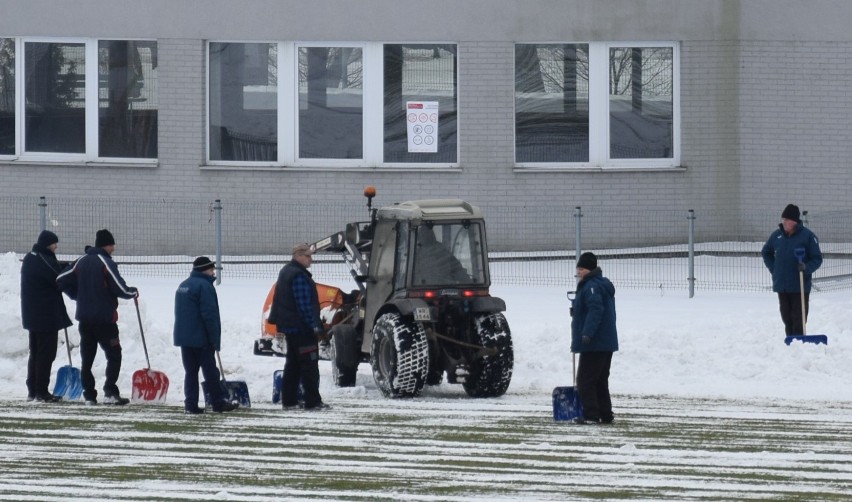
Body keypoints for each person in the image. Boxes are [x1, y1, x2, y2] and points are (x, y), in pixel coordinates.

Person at [57, 229, 138, 406]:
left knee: (88, 358)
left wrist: (77, 295)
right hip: (104, 321)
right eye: (112, 245)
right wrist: (132, 292)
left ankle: (89, 395)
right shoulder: (105, 262)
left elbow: (61, 279)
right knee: (114, 354)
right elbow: (119, 288)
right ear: (106, 245)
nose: (113, 249)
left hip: (85, 320)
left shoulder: (81, 261)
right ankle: (110, 391)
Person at [267, 242, 329, 411]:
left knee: (293, 364)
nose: (311, 260)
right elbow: (304, 306)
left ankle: (289, 400)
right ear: (298, 256)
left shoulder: (286, 272)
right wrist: (315, 326)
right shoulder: (299, 276)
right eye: (308, 256)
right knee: (309, 365)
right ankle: (313, 401)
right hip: (302, 328)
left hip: (290, 327)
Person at [173, 257, 238, 414]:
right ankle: (218, 402)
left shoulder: (183, 285)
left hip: (185, 338)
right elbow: (209, 315)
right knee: (211, 373)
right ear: (205, 270)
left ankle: (191, 405)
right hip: (201, 339)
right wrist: (214, 339)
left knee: (191, 372)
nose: (213, 272)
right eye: (211, 269)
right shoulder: (205, 286)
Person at [20, 230, 73, 403]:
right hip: (45, 316)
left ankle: (33, 390)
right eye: (54, 243)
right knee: (46, 354)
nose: (56, 246)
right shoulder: (43, 259)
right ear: (46, 244)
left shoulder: (31, 257)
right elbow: (58, 276)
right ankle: (42, 391)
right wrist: (73, 267)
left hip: (32, 315)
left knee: (35, 353)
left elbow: (53, 268)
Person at [570, 252, 618, 425]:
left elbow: (595, 310)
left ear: (589, 269)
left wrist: (587, 333)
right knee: (599, 380)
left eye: (581, 269)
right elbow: (592, 309)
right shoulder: (599, 285)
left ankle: (590, 415)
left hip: (594, 342)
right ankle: (605, 414)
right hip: (605, 342)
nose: (578, 272)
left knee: (585, 380)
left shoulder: (591, 286)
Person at [761, 204, 823, 337]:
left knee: (798, 318)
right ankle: (790, 341)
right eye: (783, 220)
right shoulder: (777, 236)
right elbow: (766, 252)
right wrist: (774, 269)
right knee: (786, 316)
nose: (784, 223)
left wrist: (806, 268)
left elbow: (817, 259)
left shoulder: (807, 236)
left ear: (794, 221)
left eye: (787, 220)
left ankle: (799, 341)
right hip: (782, 285)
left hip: (799, 285)